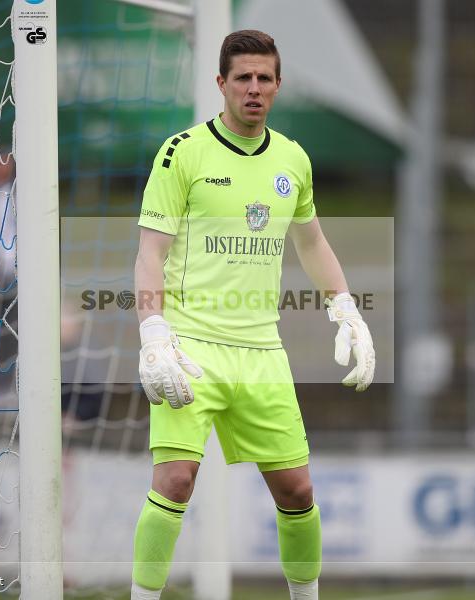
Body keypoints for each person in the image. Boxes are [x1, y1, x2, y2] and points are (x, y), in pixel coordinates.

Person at [131, 30, 375, 600]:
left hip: (261, 352)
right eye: (243, 78)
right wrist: (153, 333)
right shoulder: (182, 152)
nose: (254, 89)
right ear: (221, 84)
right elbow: (150, 252)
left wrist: (346, 307)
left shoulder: (293, 158)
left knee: (297, 489)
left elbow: (312, 243)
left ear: (278, 85)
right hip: (190, 347)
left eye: (265, 78)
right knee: (175, 479)